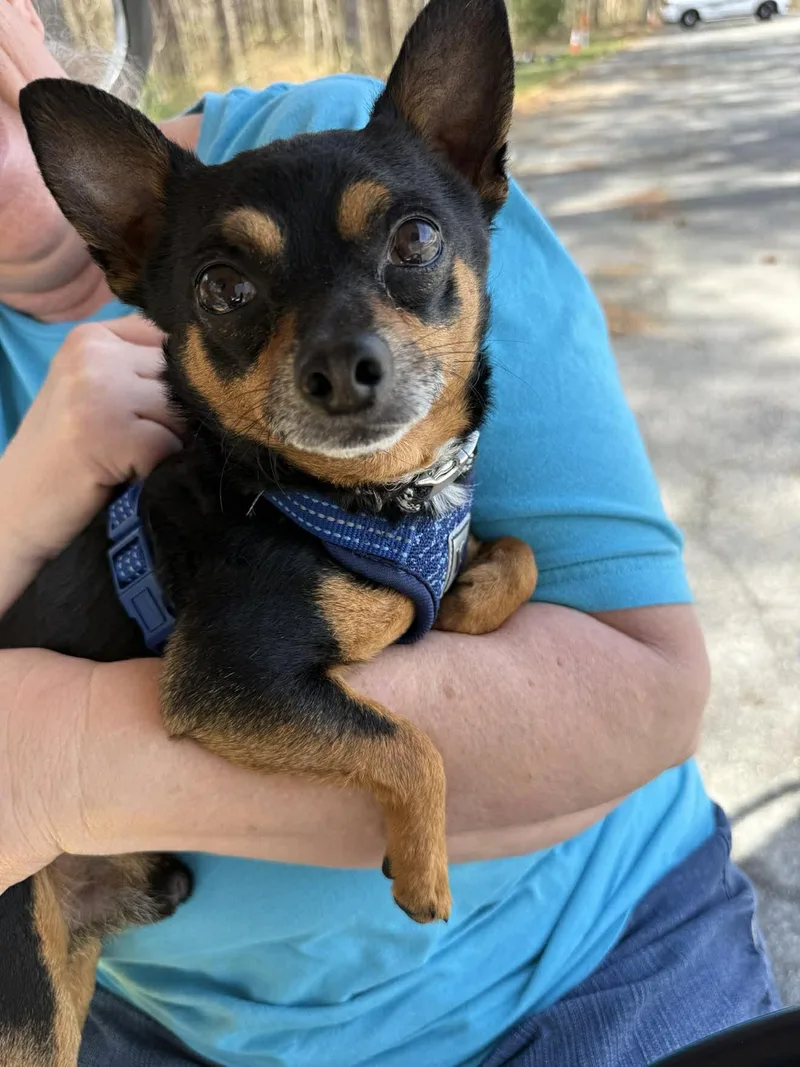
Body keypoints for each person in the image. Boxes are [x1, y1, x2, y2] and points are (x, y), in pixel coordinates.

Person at [0, 1, 780, 1065]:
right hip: (171, 1021)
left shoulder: (338, 136)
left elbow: (643, 685)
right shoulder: (237, 492)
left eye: (409, 242)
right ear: (142, 260)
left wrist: (56, 763)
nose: (341, 350)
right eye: (230, 288)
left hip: (588, 963)